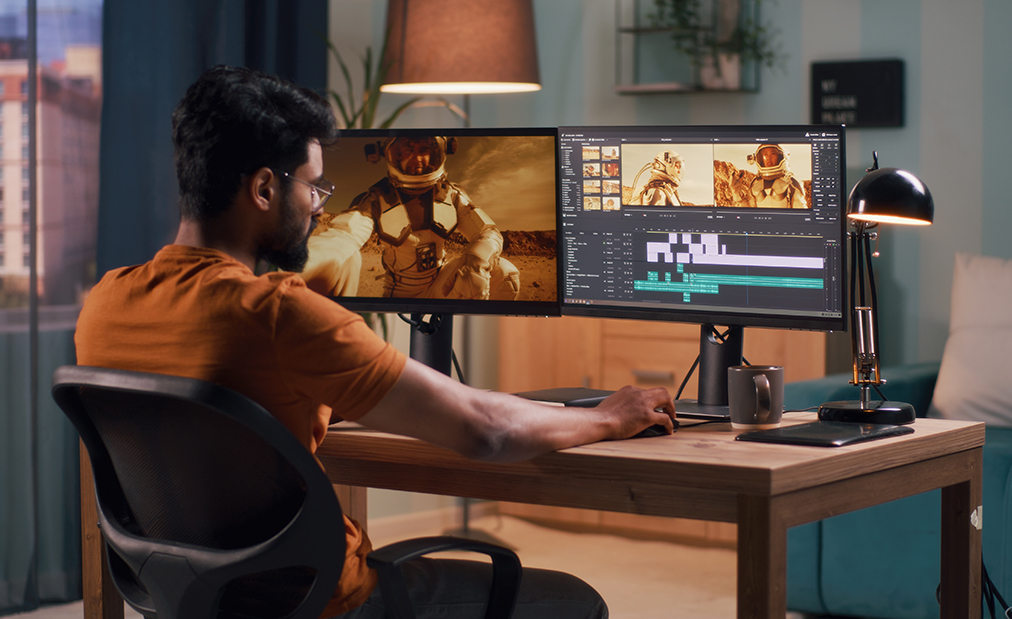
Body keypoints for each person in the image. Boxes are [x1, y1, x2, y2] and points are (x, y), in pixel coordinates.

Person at [73, 65, 675, 619]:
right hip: (322, 602)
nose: (315, 208)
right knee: (577, 602)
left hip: (191, 597)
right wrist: (607, 417)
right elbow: (485, 430)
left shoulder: (103, 306)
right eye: (312, 188)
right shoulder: (280, 314)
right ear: (263, 189)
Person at [302, 135, 520, 300]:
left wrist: (477, 258)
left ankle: (461, 328)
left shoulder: (451, 195)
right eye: (408, 150)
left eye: (424, 149)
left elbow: (488, 232)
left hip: (441, 284)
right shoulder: (378, 199)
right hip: (401, 294)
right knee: (341, 260)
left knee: (506, 275)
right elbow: (343, 237)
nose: (417, 158)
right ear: (392, 154)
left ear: (438, 152)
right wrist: (300, 262)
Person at [728, 144, 807, 209]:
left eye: (772, 154)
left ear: (781, 156)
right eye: (765, 154)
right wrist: (736, 192)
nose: (768, 158)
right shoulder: (755, 183)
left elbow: (801, 215)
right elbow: (749, 211)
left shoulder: (791, 183)